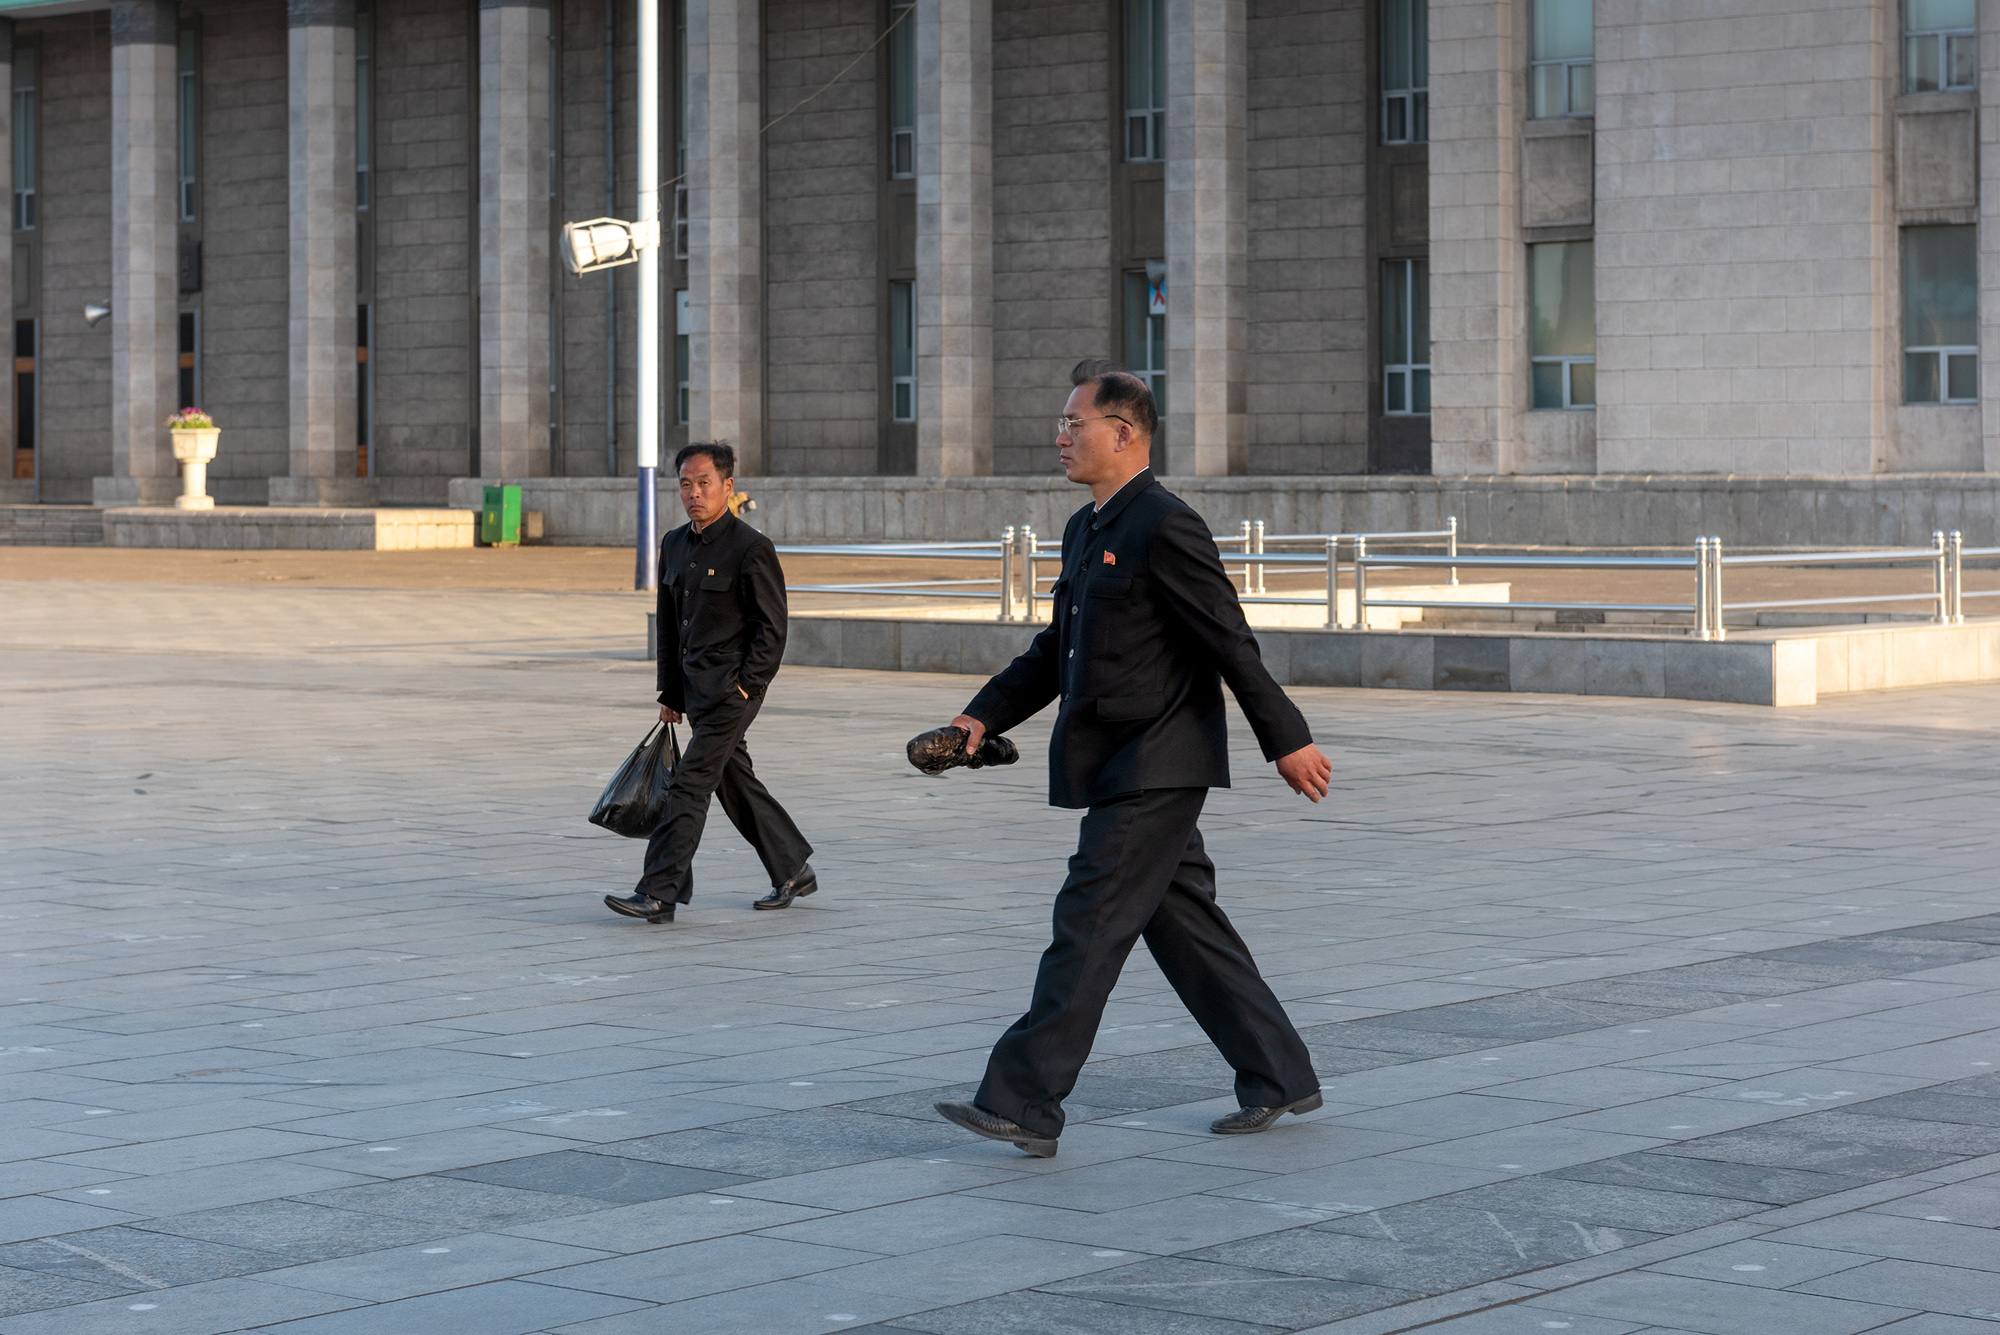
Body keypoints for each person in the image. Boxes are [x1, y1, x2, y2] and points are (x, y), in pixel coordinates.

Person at [933, 365, 1333, 1158]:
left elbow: (1227, 638)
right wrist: (982, 715)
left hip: (1158, 762)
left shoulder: (1164, 523)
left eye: (1074, 422)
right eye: (1061, 422)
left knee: (1086, 923)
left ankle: (1025, 1098)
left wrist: (1286, 735)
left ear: (1124, 433)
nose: (1060, 435)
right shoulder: (1090, 528)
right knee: (1187, 930)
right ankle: (1280, 1074)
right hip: (1116, 758)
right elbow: (1057, 649)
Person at [604, 442, 817, 924]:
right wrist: (670, 693)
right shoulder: (674, 544)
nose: (694, 493)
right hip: (695, 690)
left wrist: (748, 685)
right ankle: (793, 867)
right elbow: (669, 624)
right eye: (685, 484)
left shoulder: (750, 547)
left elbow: (773, 627)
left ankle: (659, 893)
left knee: (689, 785)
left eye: (704, 483)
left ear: (728, 486)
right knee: (734, 782)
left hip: (732, 693)